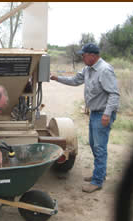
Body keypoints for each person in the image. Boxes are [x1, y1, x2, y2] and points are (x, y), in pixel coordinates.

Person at [50, 43, 120, 193]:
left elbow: (114, 94)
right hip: (95, 113)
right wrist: (56, 78)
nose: (82, 57)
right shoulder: (88, 69)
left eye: (84, 55)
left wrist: (107, 114)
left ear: (93, 56)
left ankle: (97, 181)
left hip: (102, 113)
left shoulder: (104, 70)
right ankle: (100, 174)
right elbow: (75, 80)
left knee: (99, 148)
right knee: (94, 145)